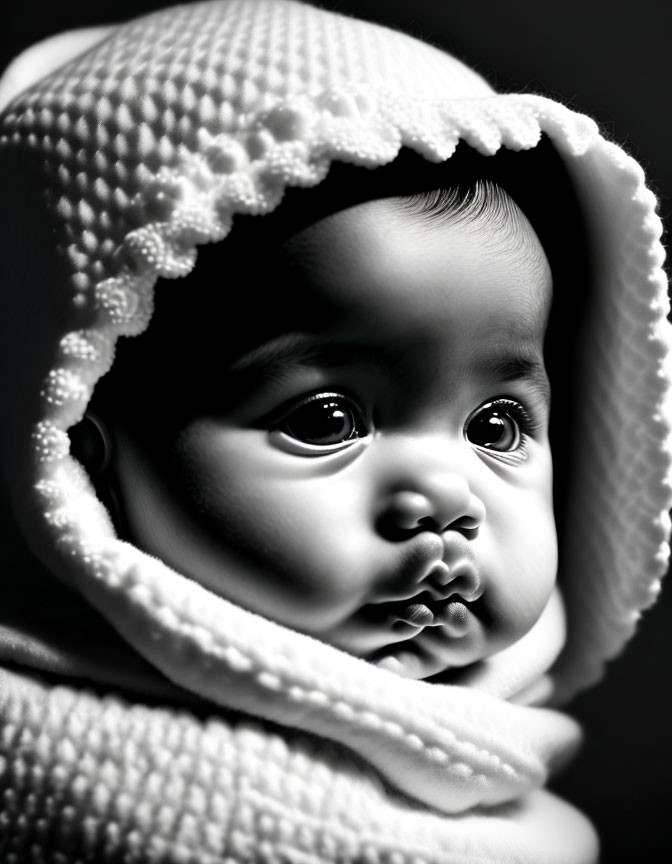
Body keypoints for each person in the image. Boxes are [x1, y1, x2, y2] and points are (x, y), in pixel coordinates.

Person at [0, 1, 669, 862]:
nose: (444, 500)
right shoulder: (45, 765)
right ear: (85, 465)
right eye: (328, 421)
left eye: (497, 426)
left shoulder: (509, 759)